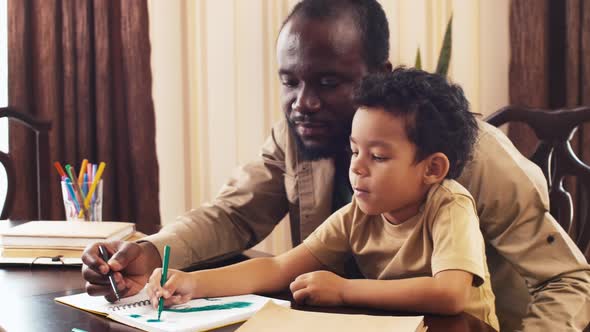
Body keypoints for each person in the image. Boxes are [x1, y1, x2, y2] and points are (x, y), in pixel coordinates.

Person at [82, 0, 590, 331]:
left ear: (377, 77)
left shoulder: (476, 164)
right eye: (290, 82)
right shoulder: (298, 134)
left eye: (327, 83)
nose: (304, 103)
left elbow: (566, 281)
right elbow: (233, 218)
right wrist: (153, 252)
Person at [146, 68, 500, 330]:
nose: (357, 168)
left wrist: (345, 291)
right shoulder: (359, 215)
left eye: (377, 157)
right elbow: (279, 267)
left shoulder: (450, 206)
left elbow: (449, 294)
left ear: (433, 168)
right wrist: (194, 282)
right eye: (354, 150)